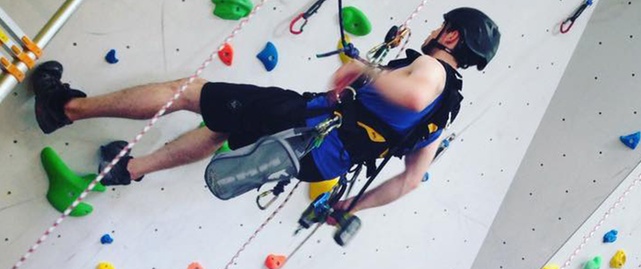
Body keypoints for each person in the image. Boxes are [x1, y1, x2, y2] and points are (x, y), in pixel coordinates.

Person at [29, 8, 500, 213]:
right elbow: (411, 180)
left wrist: (364, 69)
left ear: (453, 37)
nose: (437, 30)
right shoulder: (449, 109)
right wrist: (348, 206)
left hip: (305, 126)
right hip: (318, 158)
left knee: (191, 93)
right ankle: (130, 169)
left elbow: (413, 94)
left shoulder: (430, 72)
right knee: (221, 126)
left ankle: (65, 108)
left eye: (444, 26)